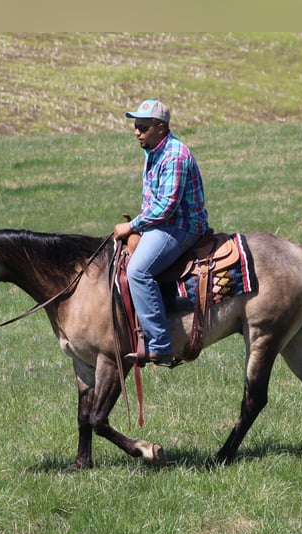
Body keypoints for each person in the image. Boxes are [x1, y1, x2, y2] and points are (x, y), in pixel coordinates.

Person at [114, 99, 210, 367]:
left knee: (138, 271)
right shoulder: (154, 150)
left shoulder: (175, 155)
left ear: (160, 127)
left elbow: (166, 208)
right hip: (163, 224)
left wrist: (132, 226)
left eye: (142, 127)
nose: (136, 132)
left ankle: (160, 344)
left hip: (182, 227)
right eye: (135, 126)